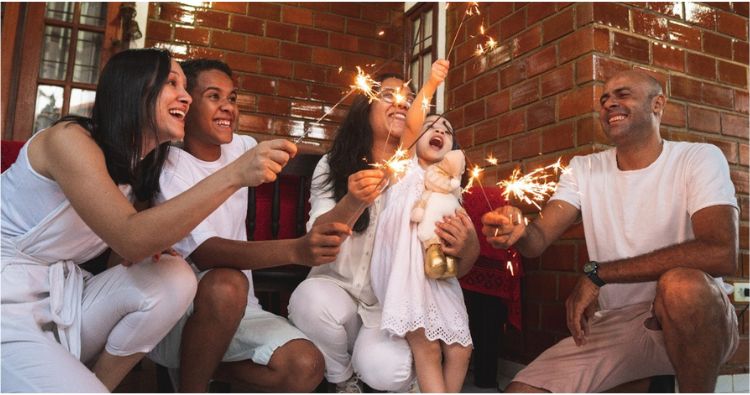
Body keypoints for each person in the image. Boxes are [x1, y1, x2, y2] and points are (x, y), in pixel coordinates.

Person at [1, 48, 296, 392]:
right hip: (7, 300)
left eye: (186, 87)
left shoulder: (140, 166)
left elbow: (123, 252)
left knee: (173, 275)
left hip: (63, 296)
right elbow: (130, 238)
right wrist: (235, 174)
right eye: (172, 83)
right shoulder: (68, 140)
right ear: (134, 88)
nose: (185, 97)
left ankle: (100, 384)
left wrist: (149, 246)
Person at [481, 70, 739, 393]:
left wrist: (598, 274)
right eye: (604, 99)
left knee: (681, 286)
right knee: (521, 391)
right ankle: (649, 381)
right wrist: (519, 231)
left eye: (623, 94)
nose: (610, 104)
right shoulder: (584, 169)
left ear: (657, 104)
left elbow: (721, 252)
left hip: (695, 320)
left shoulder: (698, 158)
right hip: (619, 325)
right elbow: (537, 240)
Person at [147, 58, 350, 392]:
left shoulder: (239, 148)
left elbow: (286, 152)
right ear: (186, 104)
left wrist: (343, 158)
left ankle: (197, 365)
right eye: (214, 96)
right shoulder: (170, 167)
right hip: (180, 312)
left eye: (233, 98)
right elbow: (206, 254)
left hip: (241, 310)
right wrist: (296, 249)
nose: (228, 107)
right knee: (227, 283)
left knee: (307, 365)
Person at [288, 67, 480, 392]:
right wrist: (352, 200)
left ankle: (381, 372)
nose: (400, 104)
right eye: (388, 95)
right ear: (365, 107)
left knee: (389, 370)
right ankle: (343, 380)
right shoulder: (333, 165)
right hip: (337, 293)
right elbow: (318, 238)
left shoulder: (417, 175)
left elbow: (450, 263)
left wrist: (469, 243)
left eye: (408, 99)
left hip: (386, 304)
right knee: (309, 301)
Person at [370, 82, 474, 393]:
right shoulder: (405, 169)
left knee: (461, 349)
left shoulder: (453, 189)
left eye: (447, 129)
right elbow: (412, 125)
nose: (439, 129)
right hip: (408, 275)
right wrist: (431, 83)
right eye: (430, 125)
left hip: (442, 277)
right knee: (427, 349)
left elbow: (462, 238)